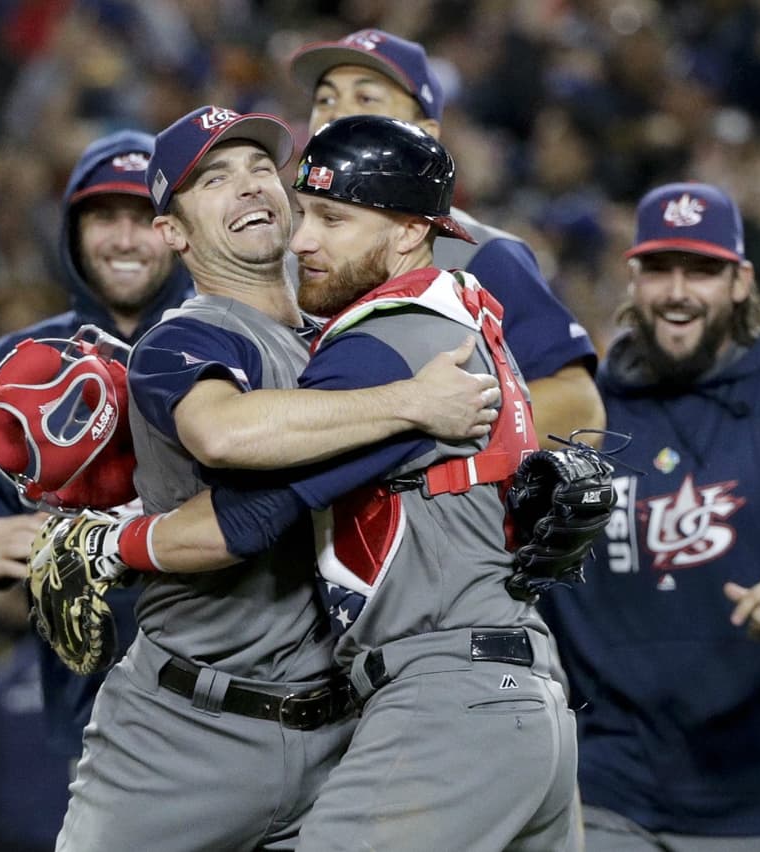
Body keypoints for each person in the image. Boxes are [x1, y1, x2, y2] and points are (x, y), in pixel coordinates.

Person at [41, 114, 581, 851]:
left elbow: (262, 508)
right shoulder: (185, 338)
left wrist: (119, 542)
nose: (249, 187)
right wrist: (409, 406)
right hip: (187, 731)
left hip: (368, 720)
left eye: (261, 168)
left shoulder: (368, 337)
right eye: (214, 178)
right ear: (172, 231)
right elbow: (225, 438)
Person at [539, 182, 760, 851]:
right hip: (610, 782)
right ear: (634, 278)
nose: (678, 292)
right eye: (660, 269)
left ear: (740, 283)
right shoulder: (584, 411)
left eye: (702, 271)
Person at [0, 129, 194, 759]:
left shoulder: (228, 342)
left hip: (220, 687)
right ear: (71, 231)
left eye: (143, 218)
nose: (124, 238)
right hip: (85, 705)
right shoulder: (18, 366)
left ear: (178, 229)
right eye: (103, 217)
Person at [289, 28, 605, 448]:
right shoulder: (288, 249)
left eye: (366, 99)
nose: (337, 116)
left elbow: (580, 407)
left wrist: (427, 435)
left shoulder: (482, 253)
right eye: (325, 100)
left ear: (426, 134)